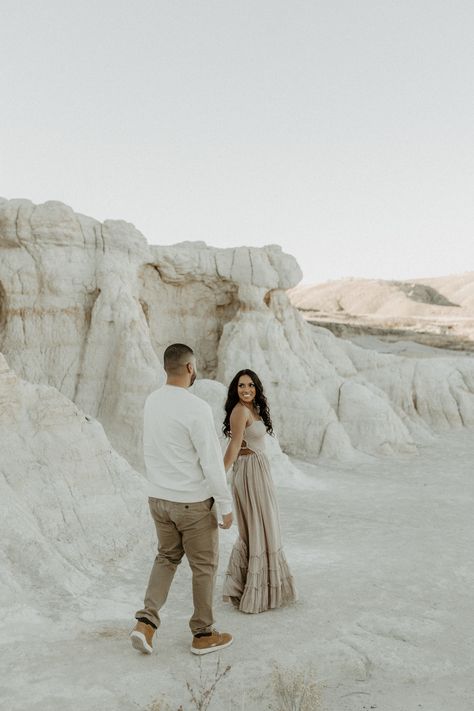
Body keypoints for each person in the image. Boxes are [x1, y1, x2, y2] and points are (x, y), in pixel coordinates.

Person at [130, 343, 234, 656]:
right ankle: (203, 634)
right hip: (192, 503)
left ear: (167, 368)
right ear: (190, 368)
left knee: (166, 557)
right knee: (204, 567)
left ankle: (145, 623)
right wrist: (225, 506)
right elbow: (212, 463)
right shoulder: (196, 408)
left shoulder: (152, 401)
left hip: (158, 499)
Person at [222, 369, 297, 613]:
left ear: (257, 388)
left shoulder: (253, 408)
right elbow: (234, 446)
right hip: (248, 473)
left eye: (251, 385)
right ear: (235, 388)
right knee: (256, 526)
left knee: (267, 525)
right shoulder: (240, 411)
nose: (247, 389)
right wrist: (218, 476)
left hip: (260, 470)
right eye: (242, 385)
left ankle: (263, 589)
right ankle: (252, 592)